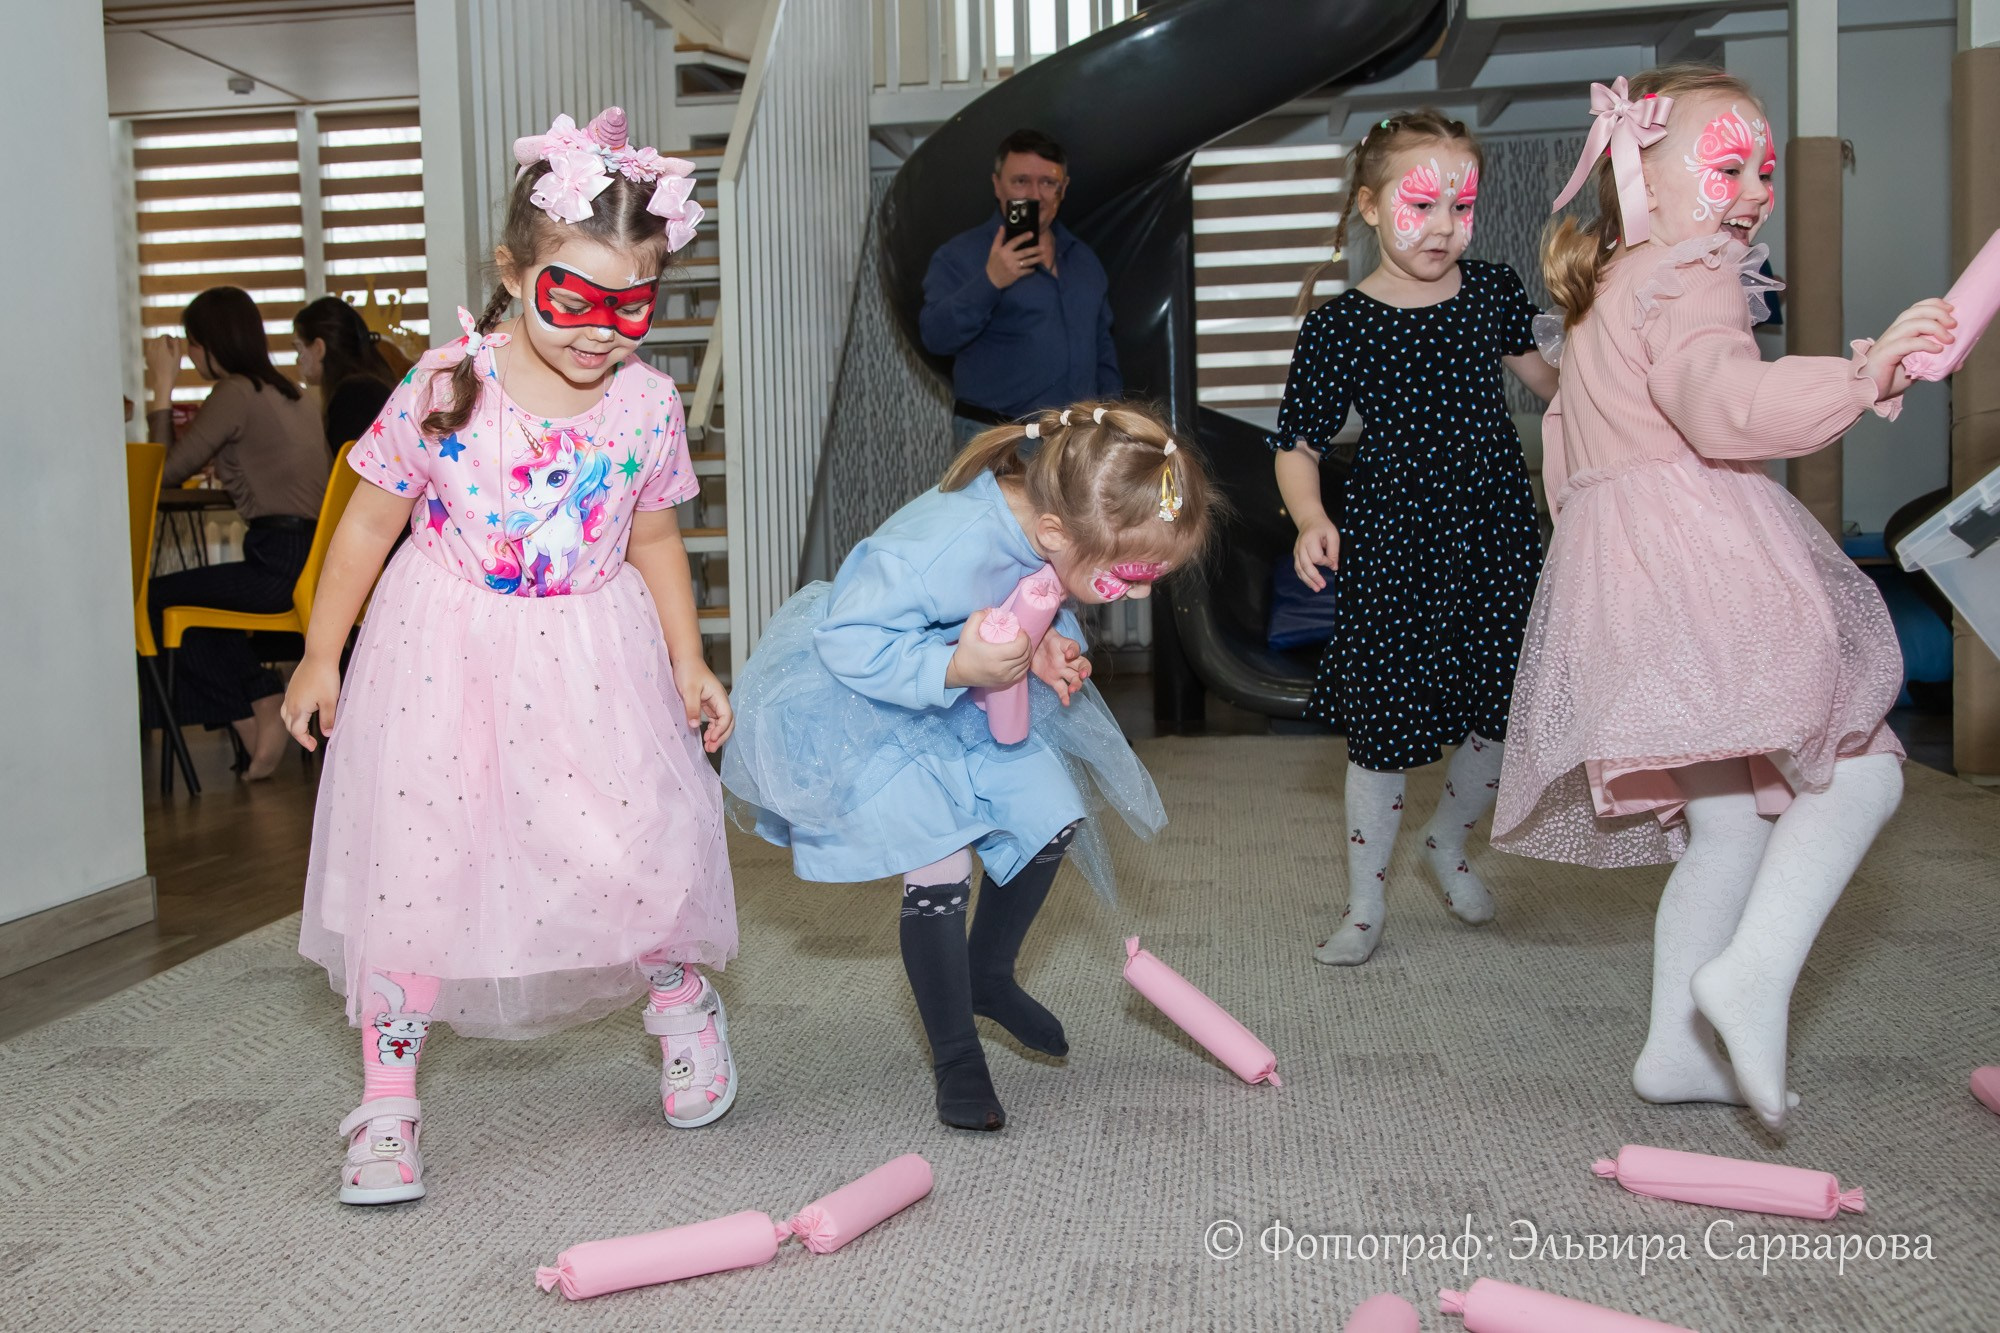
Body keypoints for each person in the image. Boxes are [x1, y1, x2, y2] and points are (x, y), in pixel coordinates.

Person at [278, 106, 735, 1205]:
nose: (601, 329)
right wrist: (318, 655)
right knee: (420, 864)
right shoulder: (445, 385)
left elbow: (658, 534)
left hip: (593, 650)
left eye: (634, 302)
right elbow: (365, 526)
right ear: (513, 270)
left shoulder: (646, 403)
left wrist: (690, 660)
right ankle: (387, 1100)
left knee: (632, 842)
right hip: (440, 653)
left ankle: (680, 1003)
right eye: (571, 296)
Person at [1493, 67, 1953, 1130]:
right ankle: (1753, 971)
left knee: (1725, 826)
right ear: (1638, 170)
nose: (1749, 189)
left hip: (1620, 580)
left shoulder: (1607, 286)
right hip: (1704, 561)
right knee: (1860, 767)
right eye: (1724, 165)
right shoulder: (1693, 270)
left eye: (1761, 167)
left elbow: (1567, 460)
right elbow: (1722, 406)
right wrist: (1860, 376)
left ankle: (1672, 1049)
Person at [722, 402, 1212, 1131]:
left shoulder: (1051, 523)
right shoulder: (937, 546)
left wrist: (1051, 642)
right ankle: (956, 1056)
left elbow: (1031, 595)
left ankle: (988, 974)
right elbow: (847, 639)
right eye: (1125, 577)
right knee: (941, 862)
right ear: (1055, 531)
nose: (1138, 594)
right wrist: (954, 661)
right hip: (877, 703)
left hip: (975, 694)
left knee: (1052, 818)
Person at [1271, 110, 1559, 967]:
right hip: (1397, 540)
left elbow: (1560, 390)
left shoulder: (1495, 291)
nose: (1443, 227)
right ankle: (1365, 901)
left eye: (1461, 208)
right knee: (1386, 728)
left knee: (1500, 709)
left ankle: (1448, 839)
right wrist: (1313, 517)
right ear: (1369, 206)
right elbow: (1296, 444)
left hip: (1497, 528)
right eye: (1422, 204)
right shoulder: (1341, 325)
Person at [145, 285, 329, 781]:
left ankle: (256, 705)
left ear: (206, 345)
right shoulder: (295, 394)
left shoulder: (234, 391)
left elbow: (162, 470)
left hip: (277, 560)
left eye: (191, 347)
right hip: (313, 561)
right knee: (202, 613)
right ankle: (258, 702)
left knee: (152, 599)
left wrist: (162, 387)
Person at [920, 130, 1122, 443]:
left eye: (1047, 182)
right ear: (997, 185)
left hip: (1076, 442)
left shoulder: (1084, 260)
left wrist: (1112, 419)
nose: (1034, 194)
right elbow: (936, 336)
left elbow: (1103, 348)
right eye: (1021, 181)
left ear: (1062, 189)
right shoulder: (960, 255)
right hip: (998, 441)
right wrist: (991, 281)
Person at [292, 296, 398, 453]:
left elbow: (348, 473)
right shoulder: (371, 386)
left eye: (299, 349)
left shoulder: (353, 397)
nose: (297, 359)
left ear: (319, 348)